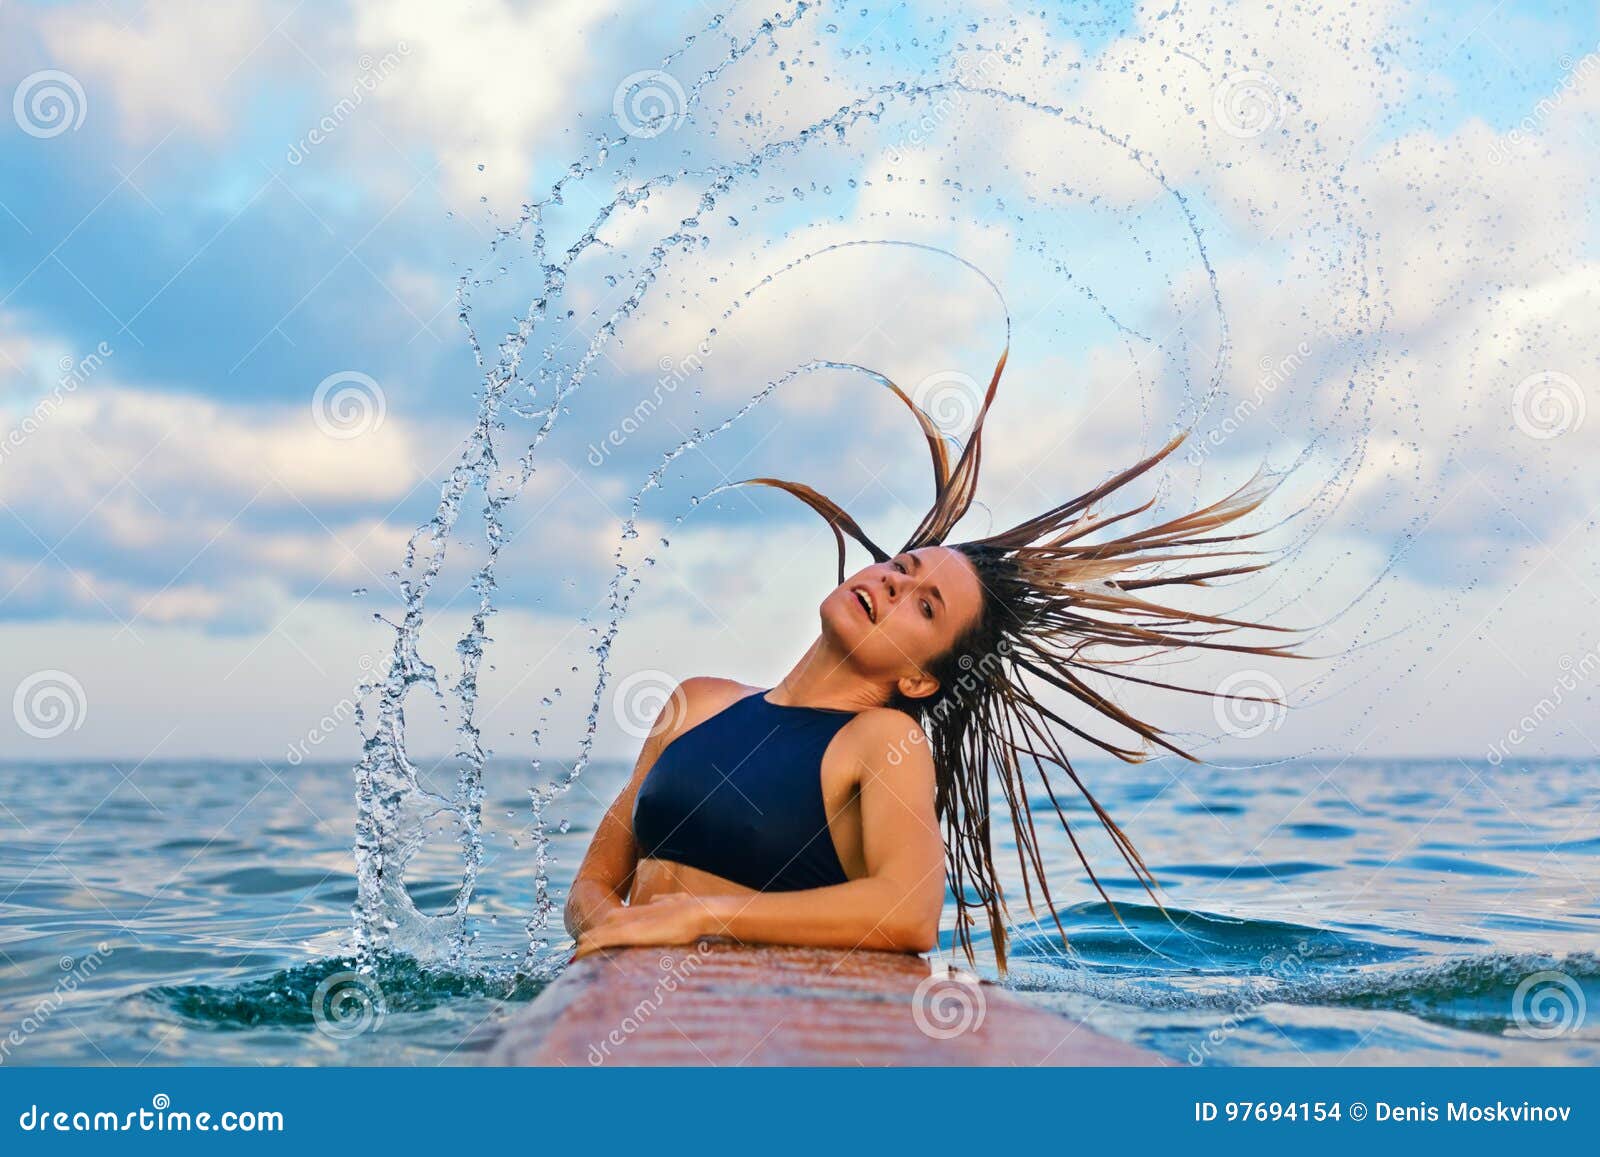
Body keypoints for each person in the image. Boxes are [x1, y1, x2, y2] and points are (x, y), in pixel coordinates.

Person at [565, 350, 1297, 970]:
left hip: (761, 1024)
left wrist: (698, 918)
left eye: (925, 606)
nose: (893, 581)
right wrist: (611, 925)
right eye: (906, 565)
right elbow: (592, 884)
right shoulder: (697, 700)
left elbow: (909, 911)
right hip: (626, 995)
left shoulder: (881, 742)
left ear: (919, 678)